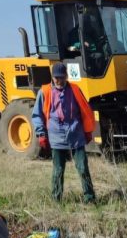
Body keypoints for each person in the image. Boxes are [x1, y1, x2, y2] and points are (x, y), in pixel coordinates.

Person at [31, 62, 97, 204]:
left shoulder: (75, 89)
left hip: (76, 134)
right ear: (52, 77)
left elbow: (85, 111)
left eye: (62, 77)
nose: (59, 81)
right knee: (58, 170)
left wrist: (87, 131)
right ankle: (56, 200)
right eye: (56, 78)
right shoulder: (44, 92)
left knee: (83, 168)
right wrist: (41, 134)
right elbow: (37, 115)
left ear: (66, 76)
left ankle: (90, 198)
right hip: (56, 137)